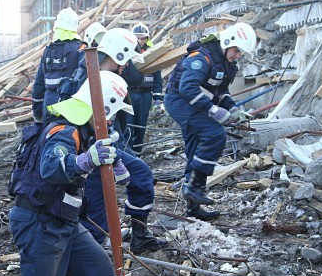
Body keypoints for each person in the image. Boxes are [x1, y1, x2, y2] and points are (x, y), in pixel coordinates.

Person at [10, 71, 139, 276]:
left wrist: (110, 160)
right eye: (111, 114)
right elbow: (51, 167)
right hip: (40, 223)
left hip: (65, 221)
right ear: (102, 107)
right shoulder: (65, 131)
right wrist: (86, 160)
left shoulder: (81, 133)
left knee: (100, 273)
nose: (111, 121)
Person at [59, 28, 167, 253]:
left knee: (140, 175)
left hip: (108, 145)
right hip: (91, 153)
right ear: (118, 55)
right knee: (96, 209)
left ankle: (137, 235)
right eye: (126, 60)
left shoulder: (107, 76)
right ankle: (95, 254)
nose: (127, 65)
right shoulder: (86, 78)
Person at [165, 22, 256, 220]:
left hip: (194, 104)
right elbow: (187, 88)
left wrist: (233, 109)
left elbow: (220, 92)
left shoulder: (227, 64)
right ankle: (194, 187)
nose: (237, 55)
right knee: (214, 134)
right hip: (179, 102)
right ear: (227, 42)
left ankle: (193, 209)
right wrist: (214, 111)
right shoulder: (202, 57)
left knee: (196, 149)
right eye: (236, 51)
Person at [31, 7, 87, 124]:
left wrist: (37, 112)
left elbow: (39, 84)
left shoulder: (48, 50)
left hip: (49, 103)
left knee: (49, 136)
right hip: (71, 105)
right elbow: (85, 81)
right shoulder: (81, 49)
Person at [125, 22, 164, 156]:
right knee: (128, 126)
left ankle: (137, 154)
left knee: (141, 126)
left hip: (145, 95)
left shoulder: (152, 53)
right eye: (138, 38)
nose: (141, 41)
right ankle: (128, 155)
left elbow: (158, 80)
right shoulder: (127, 52)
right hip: (130, 94)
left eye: (143, 38)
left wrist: (158, 100)